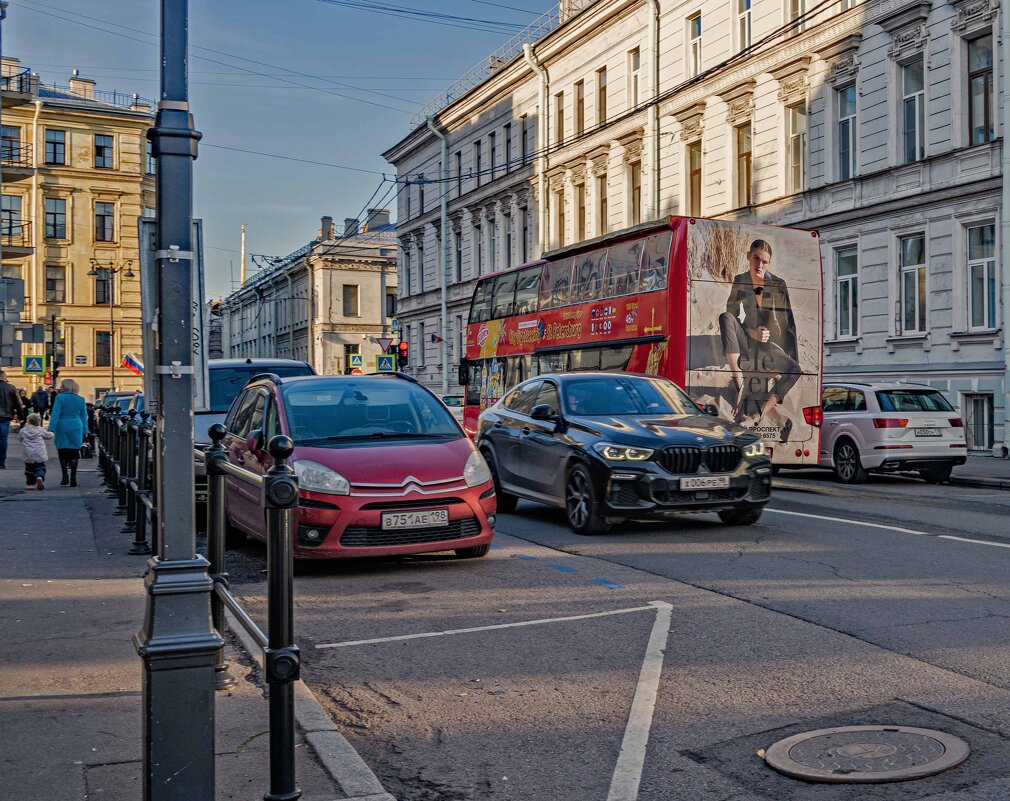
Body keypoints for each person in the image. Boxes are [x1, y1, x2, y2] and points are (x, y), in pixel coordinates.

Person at [718, 239, 800, 431]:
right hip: (746, 339)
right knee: (725, 317)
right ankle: (739, 385)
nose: (759, 265)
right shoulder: (740, 280)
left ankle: (757, 415)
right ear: (748, 256)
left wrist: (790, 358)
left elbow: (789, 324)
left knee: (795, 369)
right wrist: (752, 332)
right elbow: (733, 314)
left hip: (768, 346)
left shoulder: (778, 284)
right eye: (756, 258)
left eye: (764, 261)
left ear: (769, 263)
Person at [48, 378, 88, 487]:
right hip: (76, 425)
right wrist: (85, 430)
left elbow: (55, 414)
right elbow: (84, 416)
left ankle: (65, 475)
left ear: (66, 387)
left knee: (63, 451)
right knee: (74, 452)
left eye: (62, 386)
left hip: (62, 425)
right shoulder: (81, 399)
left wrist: (51, 428)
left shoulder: (60, 398)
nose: (60, 387)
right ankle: (73, 476)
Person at [19, 412, 54, 490]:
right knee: (40, 466)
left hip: (28, 453)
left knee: (29, 469)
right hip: (39, 452)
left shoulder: (23, 430)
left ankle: (30, 484)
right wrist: (52, 433)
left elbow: (20, 438)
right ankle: (39, 477)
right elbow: (48, 436)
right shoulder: (40, 429)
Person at [0, 369, 20, 469]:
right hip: (5, 417)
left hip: (5, 416)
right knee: (3, 438)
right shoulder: (11, 388)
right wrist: (21, 417)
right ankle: (1, 462)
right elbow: (18, 403)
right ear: (3, 377)